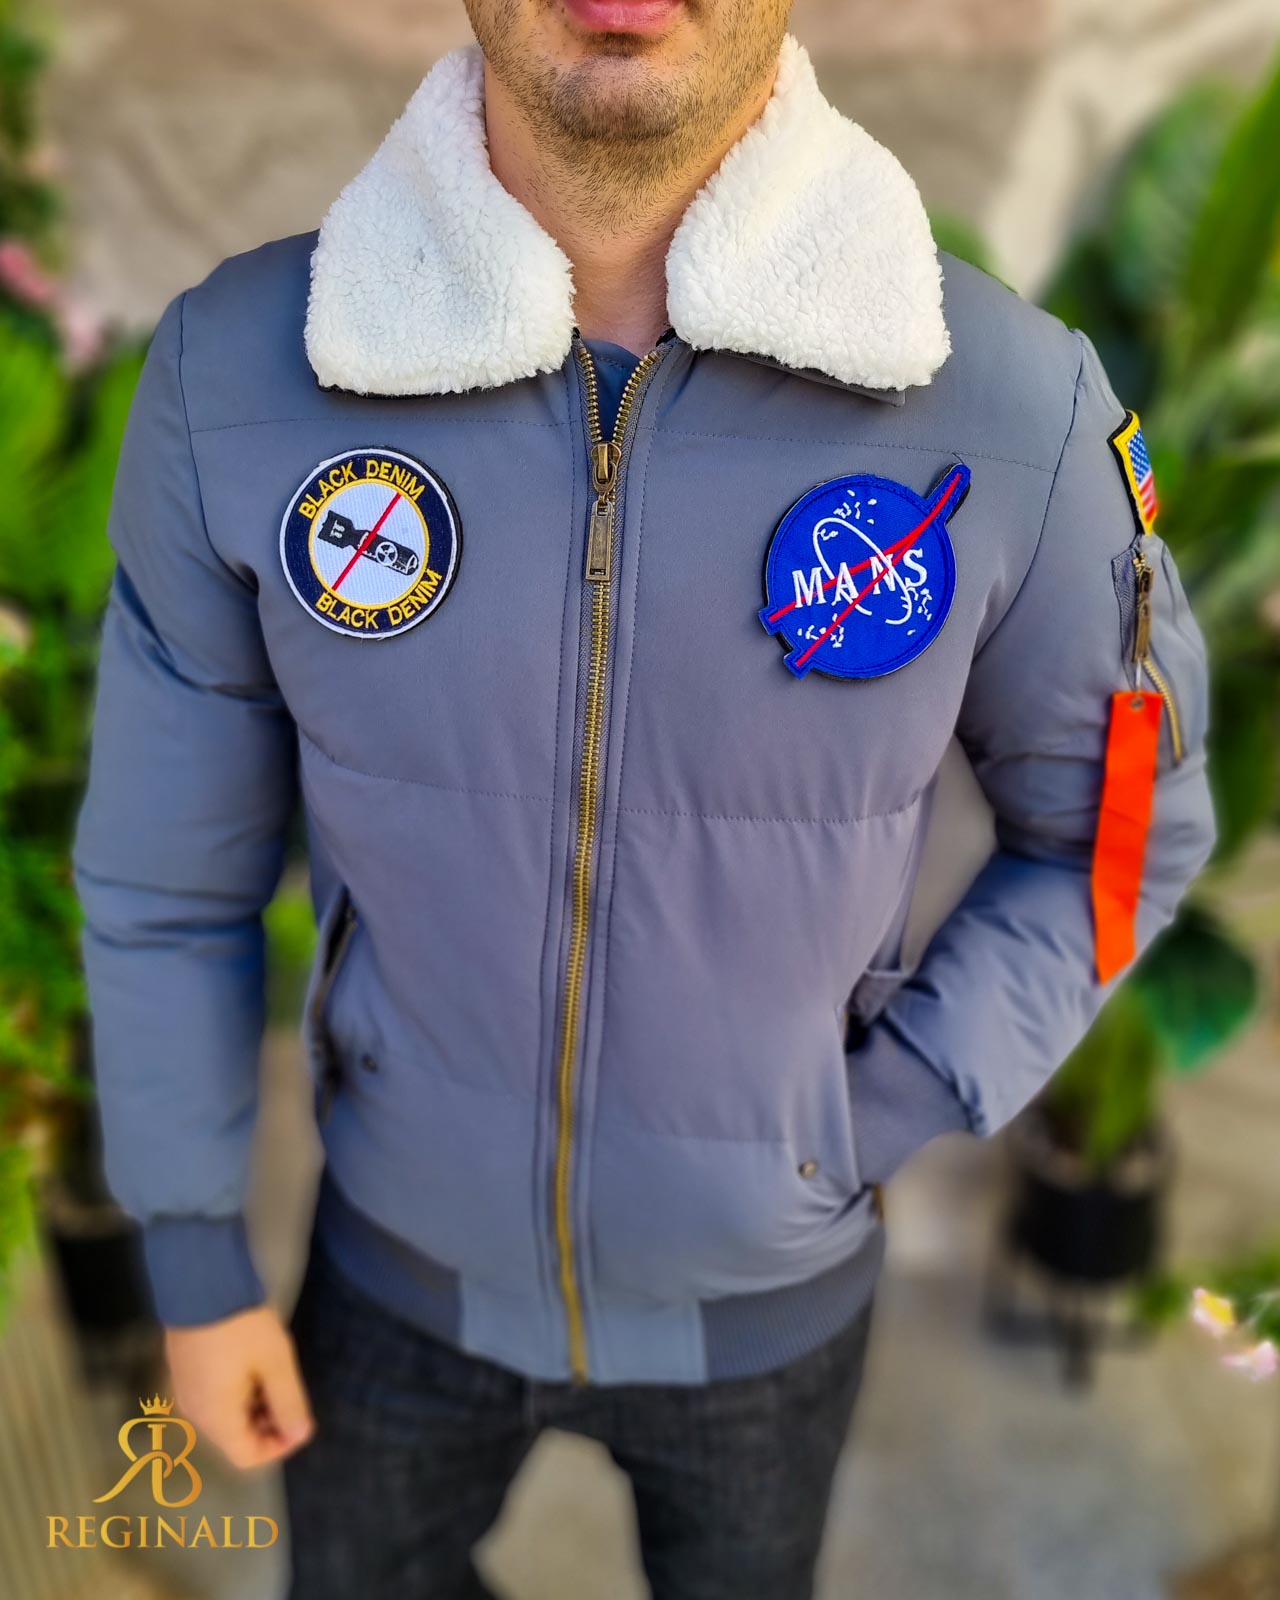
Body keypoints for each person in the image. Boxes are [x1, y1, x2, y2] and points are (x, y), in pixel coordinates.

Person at [71, 0, 1216, 1592]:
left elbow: (1120, 832)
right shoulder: (239, 374)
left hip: (772, 1312)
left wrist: (867, 1117)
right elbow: (164, 873)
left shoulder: (1018, 411)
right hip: (391, 1274)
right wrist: (195, 1257)